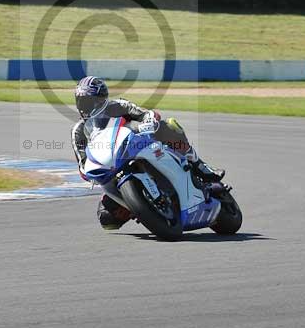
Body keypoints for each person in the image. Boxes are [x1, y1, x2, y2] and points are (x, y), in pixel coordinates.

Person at [70, 75, 225, 230]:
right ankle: (141, 207)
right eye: (82, 102)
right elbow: (83, 164)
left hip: (136, 147)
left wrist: (149, 121)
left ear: (102, 98)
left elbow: (145, 114)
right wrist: (90, 172)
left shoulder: (118, 106)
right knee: (107, 220)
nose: (86, 106)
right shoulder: (78, 131)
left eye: (90, 101)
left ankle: (199, 165)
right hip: (112, 172)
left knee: (169, 126)